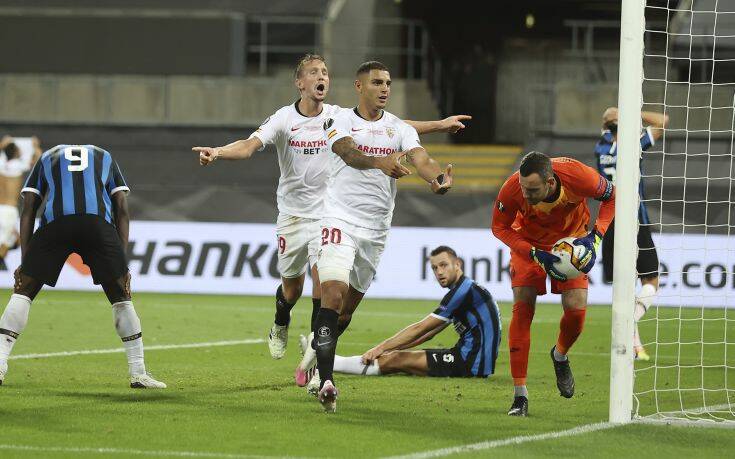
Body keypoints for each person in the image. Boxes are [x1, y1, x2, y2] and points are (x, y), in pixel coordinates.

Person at [192, 54, 470, 376]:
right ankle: (281, 321)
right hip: (293, 215)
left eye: (324, 72)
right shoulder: (284, 119)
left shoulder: (339, 115)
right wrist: (219, 152)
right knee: (291, 290)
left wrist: (438, 127)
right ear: (300, 82)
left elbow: (395, 126)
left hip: (329, 213)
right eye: (313, 72)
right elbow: (249, 145)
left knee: (325, 290)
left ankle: (315, 368)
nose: (321, 76)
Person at [311, 60, 454, 412]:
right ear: (360, 87)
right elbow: (346, 151)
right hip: (339, 219)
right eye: (377, 82)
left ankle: (316, 360)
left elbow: (421, 157)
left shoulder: (398, 128)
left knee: (345, 311)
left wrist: (435, 178)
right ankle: (326, 381)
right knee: (332, 293)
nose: (385, 88)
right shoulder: (339, 119)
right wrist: (379, 163)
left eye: (388, 82)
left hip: (375, 230)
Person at [0, 144, 165, 389]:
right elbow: (121, 207)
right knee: (121, 297)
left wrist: (26, 262)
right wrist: (121, 262)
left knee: (24, 292)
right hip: (96, 225)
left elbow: (29, 208)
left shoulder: (48, 156)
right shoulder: (104, 156)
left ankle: (0, 363)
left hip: (57, 224)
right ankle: (138, 372)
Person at [491, 151, 615, 417]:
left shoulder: (578, 176)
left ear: (550, 183)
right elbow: (499, 228)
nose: (525, 194)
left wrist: (596, 237)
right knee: (522, 309)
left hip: (572, 245)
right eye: (523, 187)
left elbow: (612, 196)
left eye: (532, 189)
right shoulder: (513, 187)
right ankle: (520, 396)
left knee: (576, 311)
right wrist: (533, 253)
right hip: (529, 246)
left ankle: (560, 355)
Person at [323, 246, 500, 380]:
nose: (439, 272)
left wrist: (380, 348)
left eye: (443, 265)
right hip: (474, 360)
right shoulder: (468, 289)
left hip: (469, 364)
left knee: (397, 360)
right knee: (397, 358)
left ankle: (326, 363)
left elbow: (421, 328)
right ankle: (328, 362)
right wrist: (393, 349)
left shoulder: (462, 292)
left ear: (457, 264)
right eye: (434, 268)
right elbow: (429, 334)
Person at [594, 107, 668, 361]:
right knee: (651, 281)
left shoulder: (600, 149)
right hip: (637, 221)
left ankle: (632, 339)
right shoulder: (633, 144)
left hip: (611, 222)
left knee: (621, 286)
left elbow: (608, 127)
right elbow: (663, 121)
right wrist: (634, 109)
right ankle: (632, 321)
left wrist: (614, 117)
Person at [0, 137, 30, 260]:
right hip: (9, 211)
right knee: (4, 248)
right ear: (16, 153)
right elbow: (38, 159)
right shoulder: (19, 166)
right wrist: (36, 145)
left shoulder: (1, 164)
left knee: (13, 240)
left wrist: (3, 144)